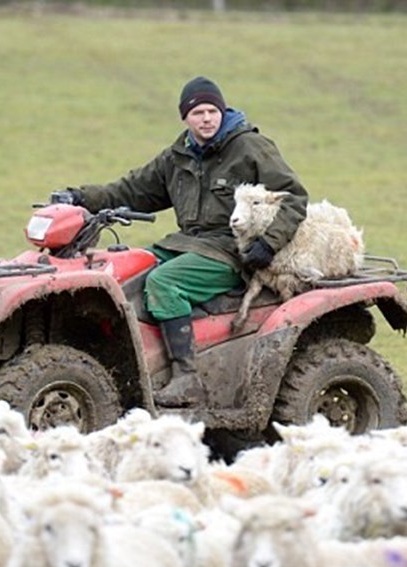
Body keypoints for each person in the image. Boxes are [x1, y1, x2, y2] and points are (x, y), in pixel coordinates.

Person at [50, 76, 308, 407]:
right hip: (188, 244)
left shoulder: (250, 148)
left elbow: (294, 197)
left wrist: (268, 244)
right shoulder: (178, 156)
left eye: (212, 111)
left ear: (222, 111)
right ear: (185, 117)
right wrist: (79, 198)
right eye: (198, 112)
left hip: (231, 250)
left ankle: (186, 379)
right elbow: (130, 191)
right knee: (123, 271)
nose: (207, 118)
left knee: (164, 283)